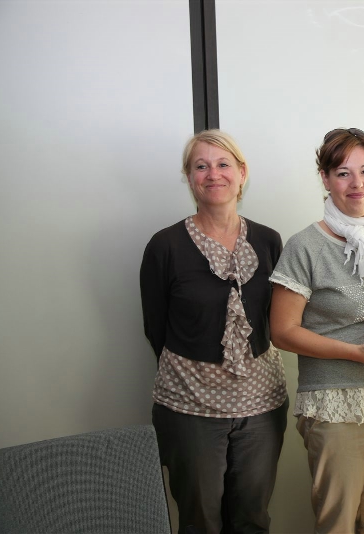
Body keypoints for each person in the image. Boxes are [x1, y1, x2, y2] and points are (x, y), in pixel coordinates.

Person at [269, 127, 364, 534]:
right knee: (337, 523)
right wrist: (356, 353)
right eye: (343, 173)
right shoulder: (304, 246)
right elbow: (282, 332)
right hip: (334, 398)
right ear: (325, 179)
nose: (357, 183)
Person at [140, 129, 288, 534]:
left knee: (252, 518)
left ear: (242, 173)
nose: (213, 174)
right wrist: (201, 369)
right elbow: (155, 327)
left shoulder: (269, 241)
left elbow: (278, 318)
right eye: (201, 166)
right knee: (200, 520)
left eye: (223, 164)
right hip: (189, 406)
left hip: (261, 404)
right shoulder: (165, 246)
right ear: (189, 178)